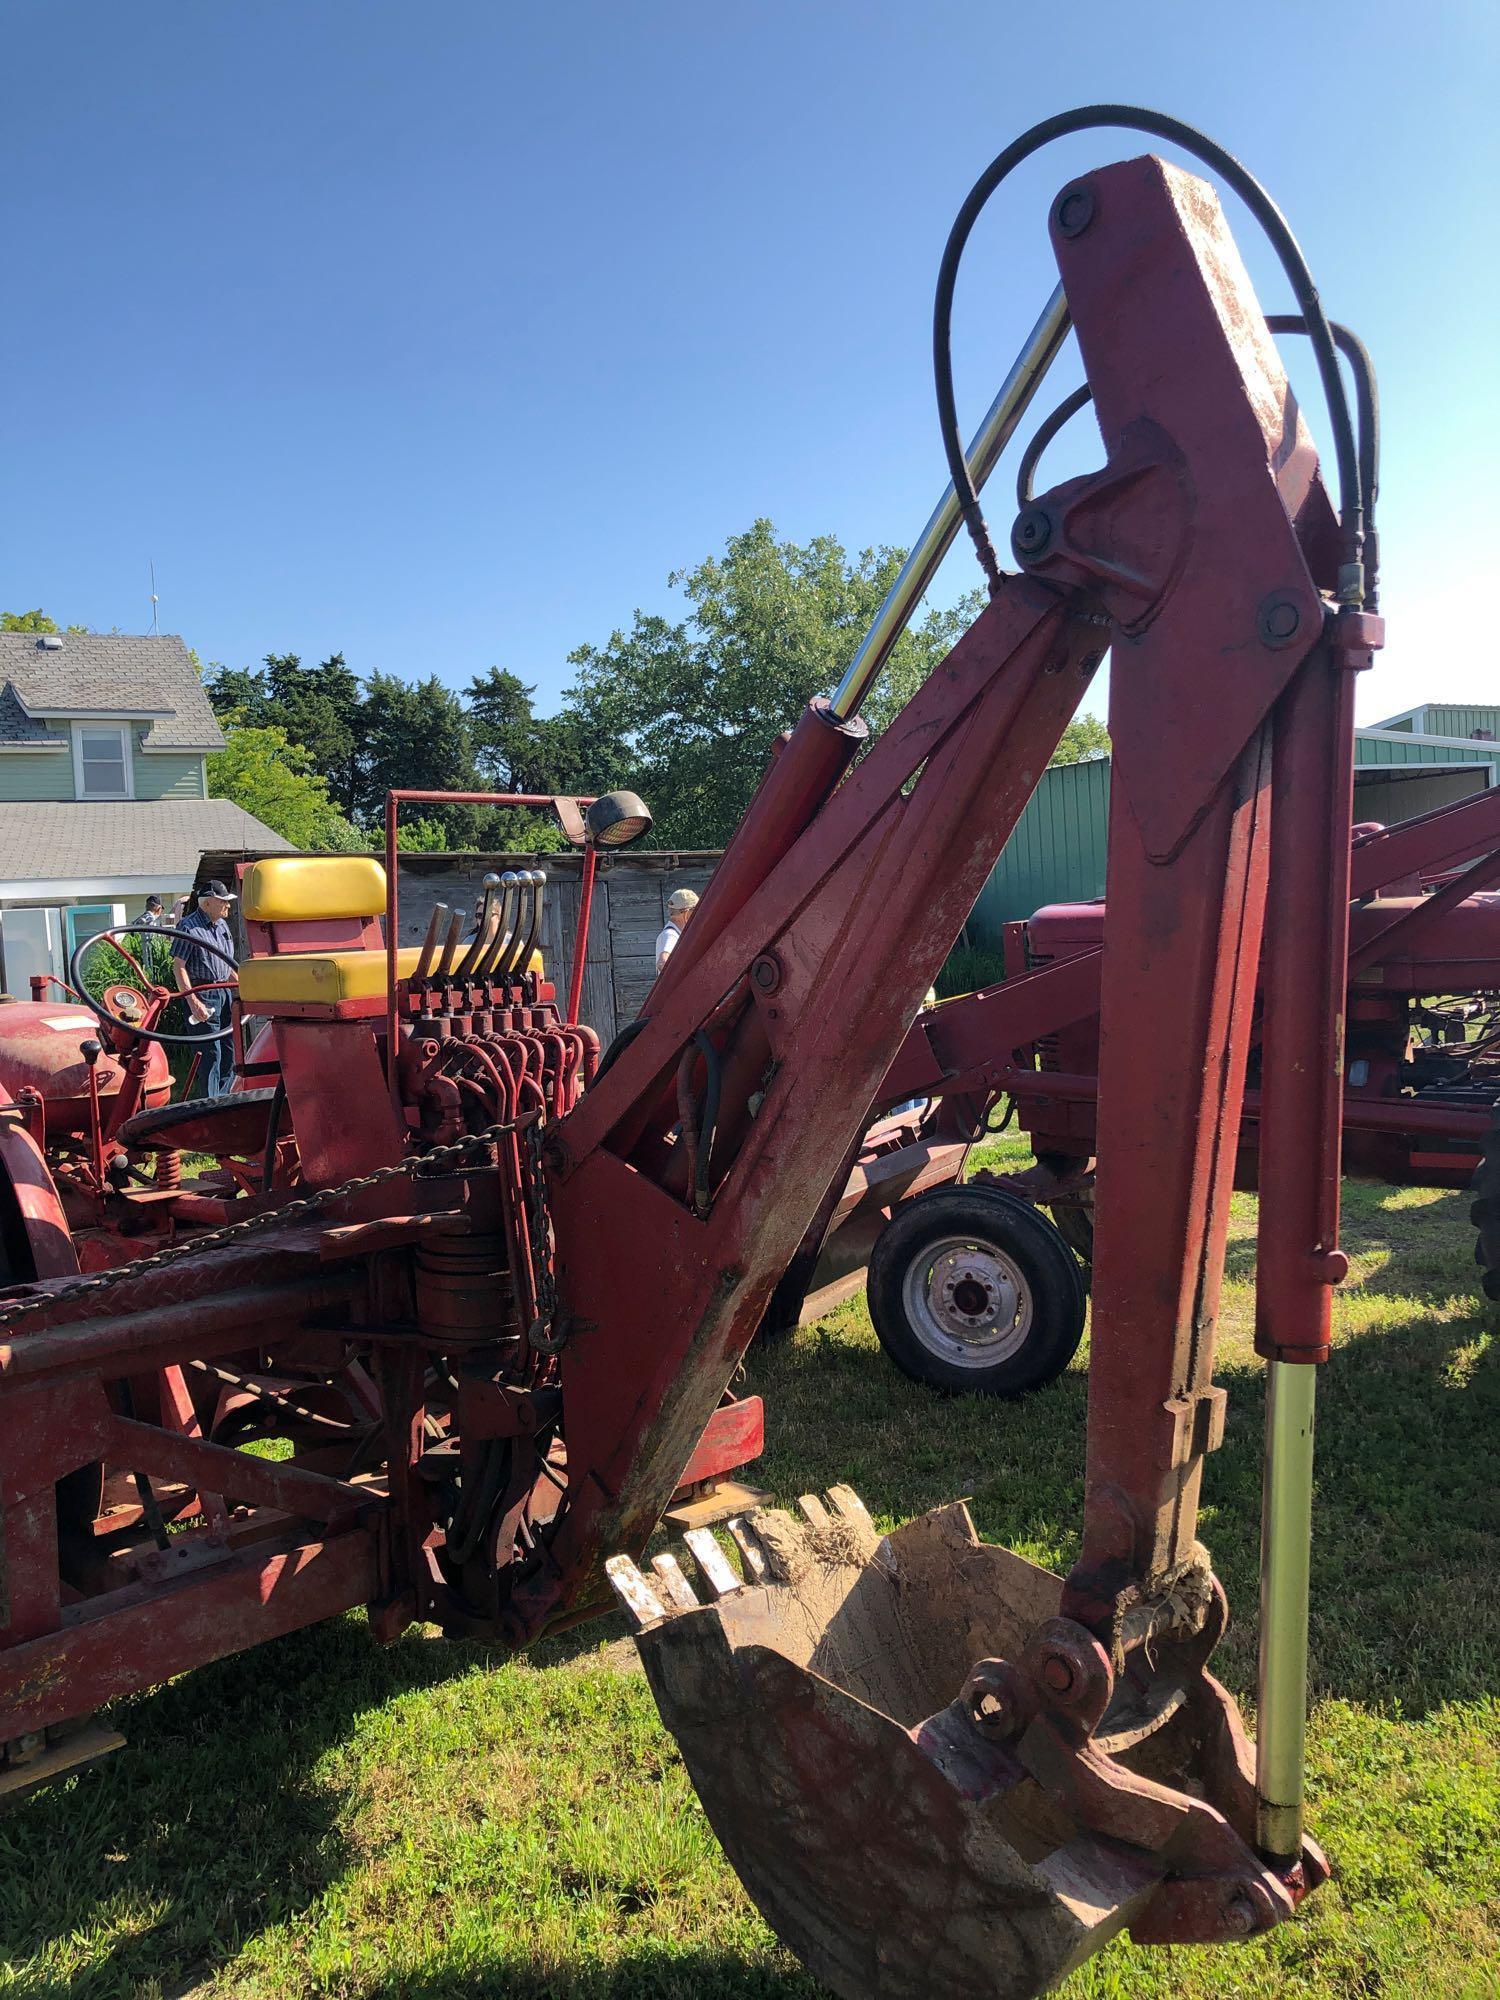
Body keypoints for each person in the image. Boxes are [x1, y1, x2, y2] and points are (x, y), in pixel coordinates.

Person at [170, 879, 239, 1098]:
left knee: (230, 1051)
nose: (228, 905)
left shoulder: (222, 925)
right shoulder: (188, 927)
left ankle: (225, 1100)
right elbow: (178, 966)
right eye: (223, 901)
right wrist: (193, 1002)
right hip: (203, 994)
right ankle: (210, 1103)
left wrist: (244, 987)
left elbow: (226, 965)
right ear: (208, 903)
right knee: (211, 1053)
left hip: (225, 992)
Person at [655, 887, 699, 972]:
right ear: (686, 912)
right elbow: (662, 963)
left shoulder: (675, 934)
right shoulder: (670, 935)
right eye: (695, 911)